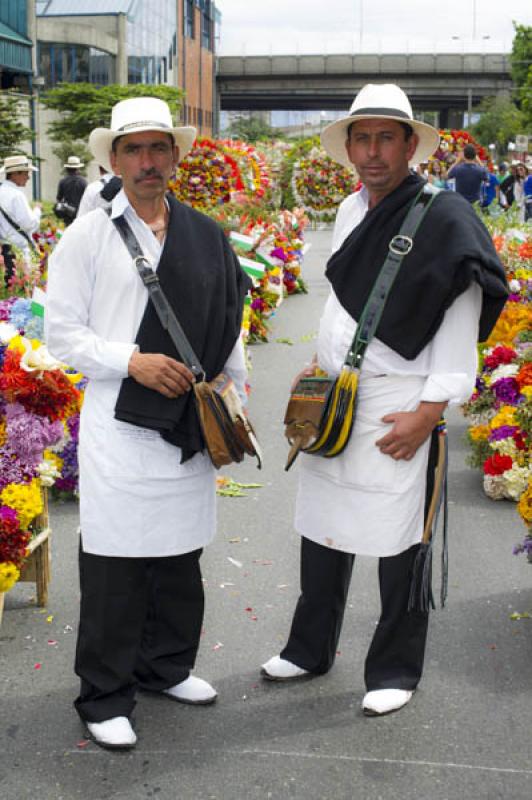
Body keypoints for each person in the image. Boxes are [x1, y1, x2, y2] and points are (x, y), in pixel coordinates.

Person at [260, 84, 508, 717]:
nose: (372, 153)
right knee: (323, 532)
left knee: (401, 543)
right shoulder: (350, 209)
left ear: (409, 145)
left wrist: (431, 412)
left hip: (403, 404)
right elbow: (342, 306)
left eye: (385, 138)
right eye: (361, 138)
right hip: (337, 399)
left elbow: (459, 321)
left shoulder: (447, 219)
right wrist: (314, 374)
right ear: (348, 146)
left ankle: (396, 668)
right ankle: (310, 649)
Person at [45, 97, 250, 750]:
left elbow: (229, 321)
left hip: (186, 427)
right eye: (133, 149)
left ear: (175, 156)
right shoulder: (87, 235)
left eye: (159, 148)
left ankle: (166, 667)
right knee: (116, 567)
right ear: (113, 159)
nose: (147, 161)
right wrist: (128, 361)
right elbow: (60, 335)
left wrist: (231, 388)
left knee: (179, 556)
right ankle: (104, 694)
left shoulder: (204, 232)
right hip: (120, 426)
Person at [0, 154, 41, 282]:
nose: (28, 177)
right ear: (15, 174)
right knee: (21, 293)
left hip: (3, 251)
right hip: (18, 253)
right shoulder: (16, 195)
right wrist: (37, 211)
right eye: (25, 173)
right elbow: (29, 223)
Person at [55, 156, 88, 225]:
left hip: (67, 215)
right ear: (78, 168)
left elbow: (59, 199)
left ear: (67, 168)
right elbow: (87, 199)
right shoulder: (83, 182)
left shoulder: (63, 181)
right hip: (81, 215)